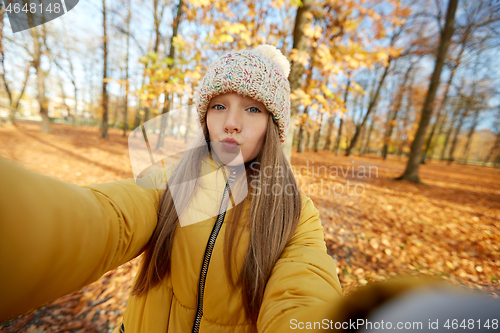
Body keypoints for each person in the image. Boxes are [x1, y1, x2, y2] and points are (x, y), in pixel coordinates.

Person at [0, 45, 344, 332]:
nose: (231, 124)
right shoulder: (169, 178)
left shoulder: (295, 212)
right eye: (218, 106)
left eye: (252, 109)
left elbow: (303, 291)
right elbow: (108, 218)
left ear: (274, 125)